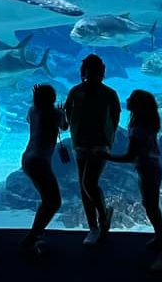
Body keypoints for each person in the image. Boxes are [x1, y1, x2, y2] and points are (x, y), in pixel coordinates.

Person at [104, 90, 162, 271]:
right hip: (153, 166)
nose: (126, 99)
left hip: (147, 168)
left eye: (131, 99)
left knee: (151, 207)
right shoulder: (149, 122)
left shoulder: (137, 128)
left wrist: (106, 156)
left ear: (138, 105)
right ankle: (161, 236)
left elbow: (129, 156)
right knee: (152, 205)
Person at [64, 54, 121, 246]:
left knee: (89, 182)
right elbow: (68, 115)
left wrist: (108, 141)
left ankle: (102, 216)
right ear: (84, 72)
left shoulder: (110, 94)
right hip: (79, 144)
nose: (94, 73)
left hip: (99, 145)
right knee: (84, 185)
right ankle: (94, 226)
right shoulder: (75, 92)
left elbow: (115, 118)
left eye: (97, 70)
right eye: (91, 69)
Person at [20, 84, 68, 255]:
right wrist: (63, 113)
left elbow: (31, 120)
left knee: (47, 200)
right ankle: (32, 238)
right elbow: (64, 126)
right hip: (39, 161)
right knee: (54, 202)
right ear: (52, 99)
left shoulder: (32, 110)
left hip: (28, 158)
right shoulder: (54, 113)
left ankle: (36, 234)